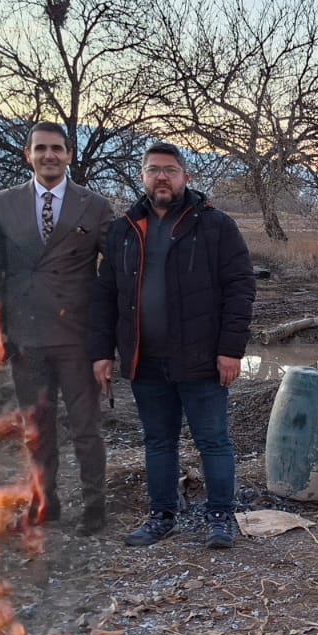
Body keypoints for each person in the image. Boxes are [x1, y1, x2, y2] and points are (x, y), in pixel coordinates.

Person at [88, 142, 256, 550]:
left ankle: (220, 516)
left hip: (201, 358)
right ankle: (161, 515)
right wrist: (101, 352)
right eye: (153, 170)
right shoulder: (124, 230)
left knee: (213, 441)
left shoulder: (215, 226)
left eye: (170, 169)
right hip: (146, 360)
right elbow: (105, 295)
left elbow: (240, 288)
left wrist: (231, 350)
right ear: (142, 177)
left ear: (186, 176)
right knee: (158, 441)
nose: (161, 177)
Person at [0, 123, 114, 535]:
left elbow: (112, 277)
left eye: (57, 148)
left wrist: (106, 341)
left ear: (70, 155)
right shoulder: (4, 204)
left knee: (85, 428)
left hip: (77, 337)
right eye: (41, 148)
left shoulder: (94, 206)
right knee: (37, 431)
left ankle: (95, 506)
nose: (49, 155)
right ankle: (45, 502)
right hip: (26, 338)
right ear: (27, 155)